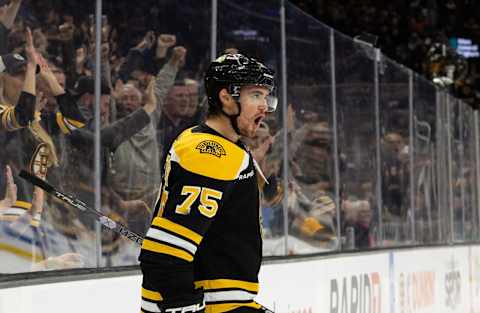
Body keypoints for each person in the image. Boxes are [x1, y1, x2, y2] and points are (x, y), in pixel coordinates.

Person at [139, 53, 277, 313]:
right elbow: (166, 253)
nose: (265, 106)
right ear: (226, 97)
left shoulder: (227, 147)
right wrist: (183, 306)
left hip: (226, 301)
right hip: (214, 304)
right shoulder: (210, 150)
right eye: (256, 95)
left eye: (266, 96)